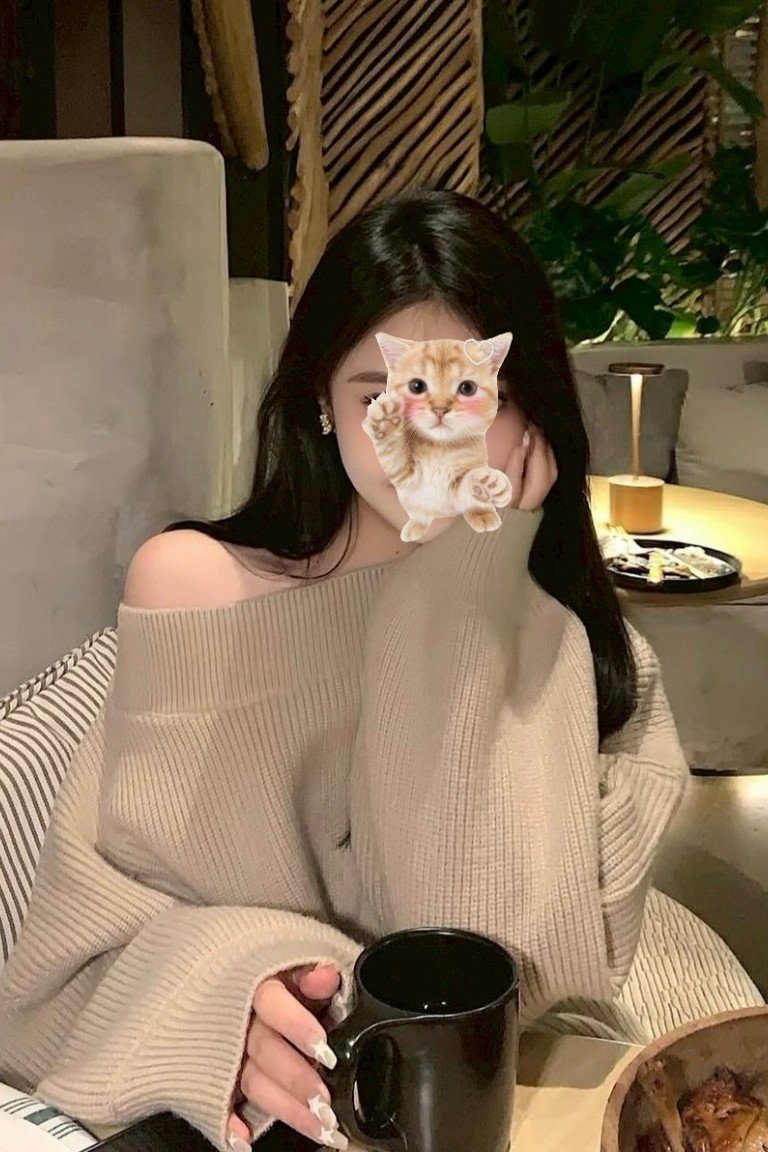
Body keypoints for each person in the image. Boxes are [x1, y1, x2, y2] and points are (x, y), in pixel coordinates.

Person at [0, 189, 761, 1152]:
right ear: (321, 400)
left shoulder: (589, 656)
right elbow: (85, 940)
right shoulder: (197, 589)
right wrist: (229, 989)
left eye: (472, 395)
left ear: (530, 411)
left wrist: (471, 584)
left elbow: (509, 976)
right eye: (378, 395)